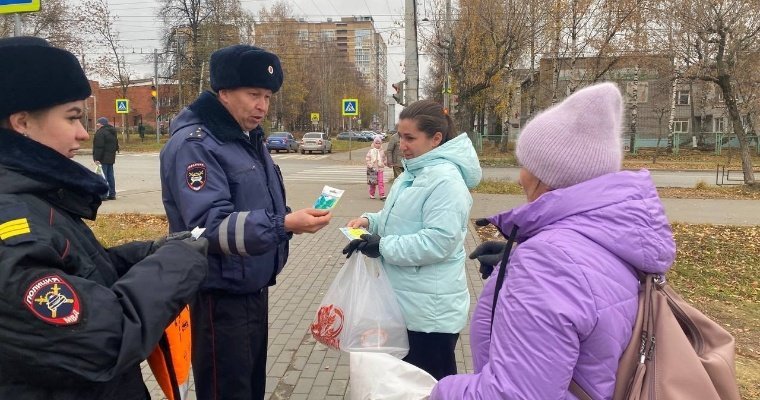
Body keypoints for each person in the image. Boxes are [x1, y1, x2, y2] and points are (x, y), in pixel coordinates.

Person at [430, 83, 676, 399]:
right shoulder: (608, 240)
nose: (520, 177)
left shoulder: (550, 263)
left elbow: (513, 394)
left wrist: (433, 391)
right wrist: (515, 259)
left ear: (547, 174)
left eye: (526, 164)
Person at [0, 36, 209, 399]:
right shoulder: (12, 223)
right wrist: (176, 264)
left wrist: (149, 253)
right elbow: (105, 339)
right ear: (21, 123)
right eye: (73, 117)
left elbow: (78, 272)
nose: (83, 133)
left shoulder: (34, 200)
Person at [159, 44, 332, 400]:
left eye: (267, 97)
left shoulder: (244, 139)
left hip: (250, 285)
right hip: (218, 294)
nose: (262, 106)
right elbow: (208, 225)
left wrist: (285, 221)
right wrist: (283, 224)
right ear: (223, 93)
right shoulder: (197, 145)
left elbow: (255, 202)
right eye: (253, 95)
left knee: (249, 387)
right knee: (227, 390)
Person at [343, 99, 482, 380]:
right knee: (404, 387)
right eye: (399, 136)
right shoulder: (415, 173)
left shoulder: (445, 181)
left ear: (436, 139)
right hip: (407, 305)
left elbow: (438, 242)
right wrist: (370, 221)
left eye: (410, 138)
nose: (402, 144)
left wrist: (381, 246)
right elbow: (397, 217)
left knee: (427, 386)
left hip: (429, 316)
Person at [93, 116, 119, 200]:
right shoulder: (112, 131)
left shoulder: (100, 133)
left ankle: (103, 195)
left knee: (102, 176)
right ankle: (112, 194)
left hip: (103, 158)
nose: (97, 125)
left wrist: (97, 158)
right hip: (111, 157)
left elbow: (99, 147)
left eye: (98, 123)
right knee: (110, 175)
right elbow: (116, 145)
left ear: (101, 124)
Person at [365, 135, 387, 199]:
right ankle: (372, 193)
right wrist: (369, 164)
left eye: (379, 143)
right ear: (374, 143)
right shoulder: (371, 151)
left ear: (381, 144)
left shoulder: (382, 151)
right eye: (376, 143)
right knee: (373, 183)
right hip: (372, 169)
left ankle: (382, 194)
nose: (377, 145)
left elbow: (384, 158)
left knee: (381, 182)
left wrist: (385, 162)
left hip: (380, 169)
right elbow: (367, 158)